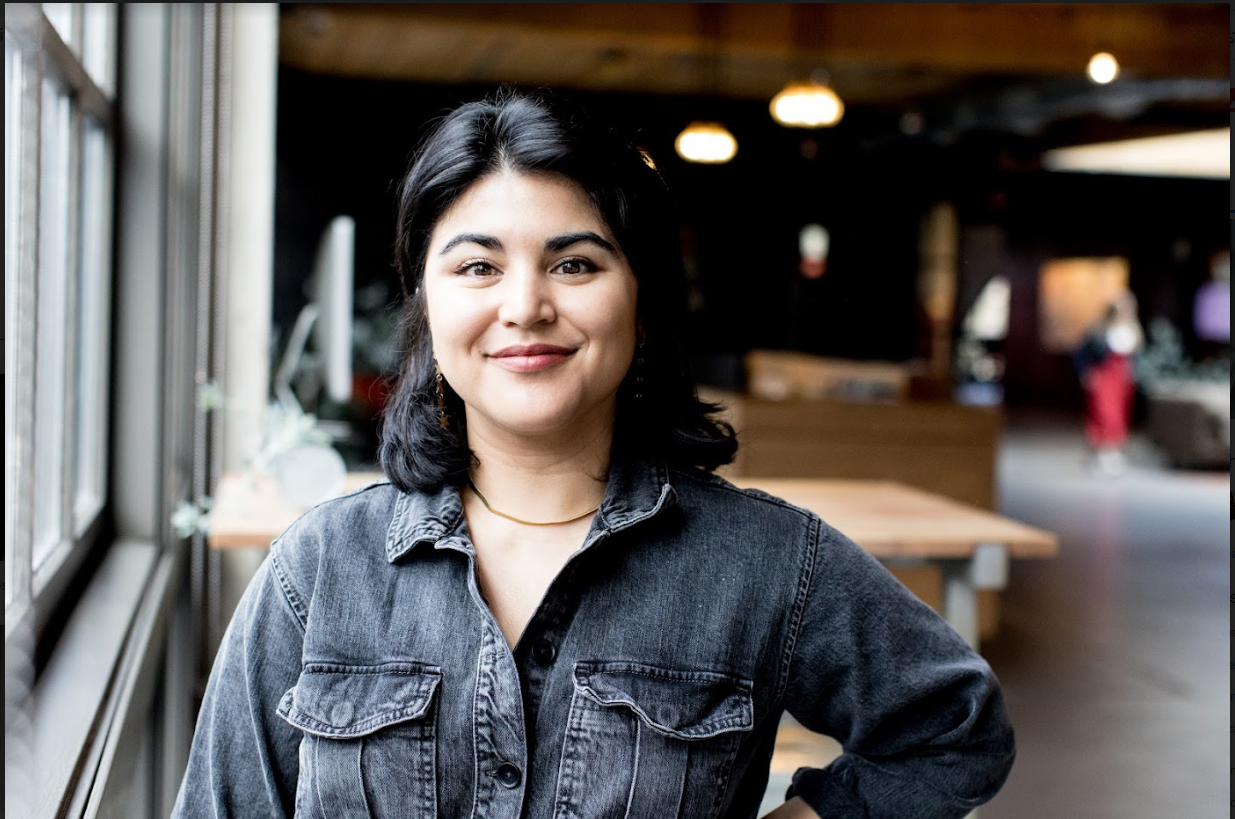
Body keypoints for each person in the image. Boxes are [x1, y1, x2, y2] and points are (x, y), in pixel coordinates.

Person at [172, 89, 1014, 818]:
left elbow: (952, 728)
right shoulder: (318, 569)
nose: (525, 305)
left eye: (573, 262)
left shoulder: (765, 565)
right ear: (425, 303)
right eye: (477, 266)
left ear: (640, 302)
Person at [1073, 292, 1143, 476]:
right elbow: (1081, 352)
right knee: (1104, 413)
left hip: (1122, 379)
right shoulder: (1100, 330)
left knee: (1119, 416)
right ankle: (1100, 452)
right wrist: (1086, 372)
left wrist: (1134, 373)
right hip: (1105, 376)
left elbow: (1135, 357)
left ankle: (1113, 452)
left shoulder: (1134, 330)